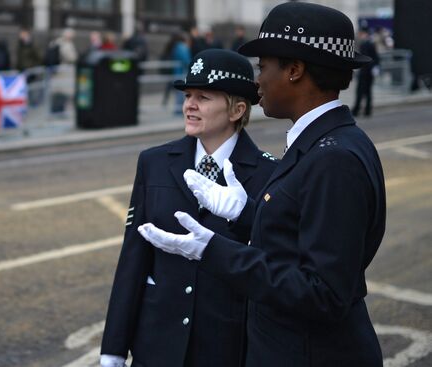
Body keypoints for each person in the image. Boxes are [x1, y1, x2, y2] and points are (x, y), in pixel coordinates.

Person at [138, 3, 386, 366]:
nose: (257, 82)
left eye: (263, 68)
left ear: (295, 71)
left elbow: (323, 293)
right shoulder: (324, 142)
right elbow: (298, 236)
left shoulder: (333, 157)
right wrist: (246, 213)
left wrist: (212, 251)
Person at [100, 49, 279, 367]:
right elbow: (133, 258)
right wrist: (113, 348)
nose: (189, 105)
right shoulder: (154, 162)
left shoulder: (269, 173)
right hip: (156, 343)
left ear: (237, 109)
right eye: (188, 95)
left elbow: (272, 261)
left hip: (227, 345)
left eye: (204, 97)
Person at [352, 28, 380, 117]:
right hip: (370, 72)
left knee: (360, 92)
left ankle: (356, 110)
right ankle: (367, 110)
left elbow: (365, 58)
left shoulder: (365, 44)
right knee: (368, 92)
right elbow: (376, 57)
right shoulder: (371, 43)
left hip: (364, 71)